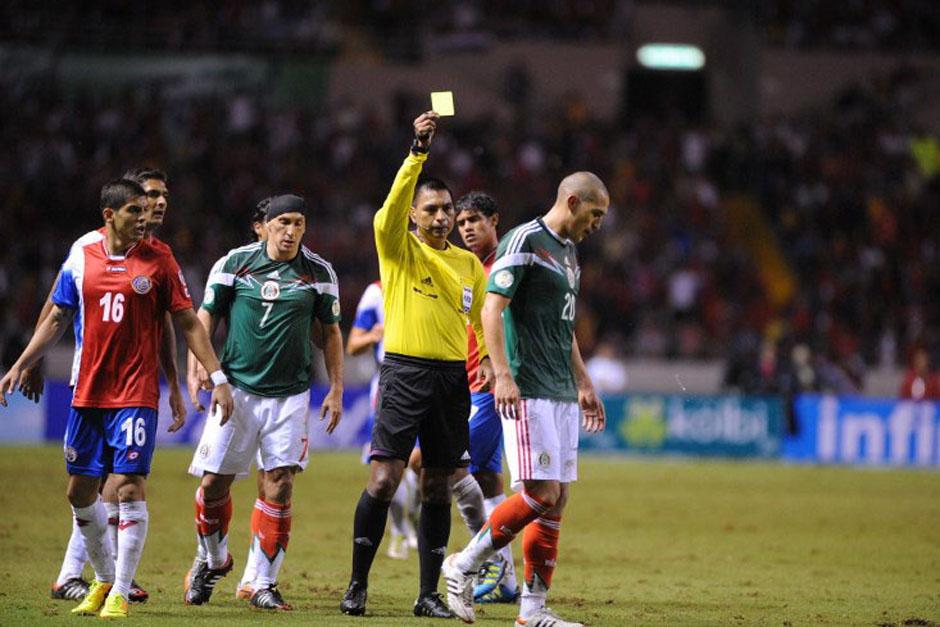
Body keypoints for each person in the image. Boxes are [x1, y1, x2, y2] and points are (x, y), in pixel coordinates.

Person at [0, 178, 234, 619]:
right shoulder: (83, 256)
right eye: (135, 211)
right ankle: (104, 577)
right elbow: (57, 316)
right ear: (109, 215)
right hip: (88, 391)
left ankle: (120, 592)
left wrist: (216, 376)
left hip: (134, 392)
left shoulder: (160, 260)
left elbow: (186, 322)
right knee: (79, 491)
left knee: (127, 486)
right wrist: (23, 362)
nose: (145, 218)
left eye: (147, 210)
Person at [340, 111, 494, 619]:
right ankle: (357, 585)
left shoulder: (468, 264)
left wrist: (487, 359)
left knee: (436, 485)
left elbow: (480, 319)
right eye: (431, 209)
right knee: (384, 479)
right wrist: (417, 152)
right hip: (404, 374)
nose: (442, 217)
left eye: (447, 209)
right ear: (413, 215)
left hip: (451, 380)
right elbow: (387, 211)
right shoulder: (398, 248)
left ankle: (428, 595)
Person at [442, 172, 610, 627]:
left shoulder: (570, 252)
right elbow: (491, 307)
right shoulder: (524, 241)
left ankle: (532, 612)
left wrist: (583, 382)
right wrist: (502, 374)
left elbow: (563, 326)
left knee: (558, 499)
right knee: (540, 493)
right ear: (572, 202)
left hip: (560, 389)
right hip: (528, 387)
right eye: (595, 214)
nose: (597, 224)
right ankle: (463, 564)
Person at [183, 193, 344, 611]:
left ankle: (263, 583)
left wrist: (336, 387)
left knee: (280, 483)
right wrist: (199, 366)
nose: (291, 231)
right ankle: (213, 560)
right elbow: (205, 315)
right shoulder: (234, 263)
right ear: (265, 226)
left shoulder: (319, 272)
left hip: (291, 394)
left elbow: (330, 332)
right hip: (236, 389)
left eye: (298, 223)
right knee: (213, 484)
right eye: (283, 222)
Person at [35, 167, 184, 605]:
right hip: (91, 379)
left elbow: (165, 324)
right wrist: (32, 359)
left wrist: (173, 381)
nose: (158, 203)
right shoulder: (89, 246)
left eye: (163, 195)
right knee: (94, 484)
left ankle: (106, 577)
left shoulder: (156, 256)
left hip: (132, 385)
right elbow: (58, 305)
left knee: (115, 483)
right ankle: (88, 575)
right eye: (149, 196)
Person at [346, 280, 419, 560]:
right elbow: (353, 344)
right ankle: (399, 531)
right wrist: (373, 335)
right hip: (390, 385)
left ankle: (413, 519)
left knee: (420, 463)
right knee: (389, 467)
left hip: (432, 381)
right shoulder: (377, 291)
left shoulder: (439, 277)